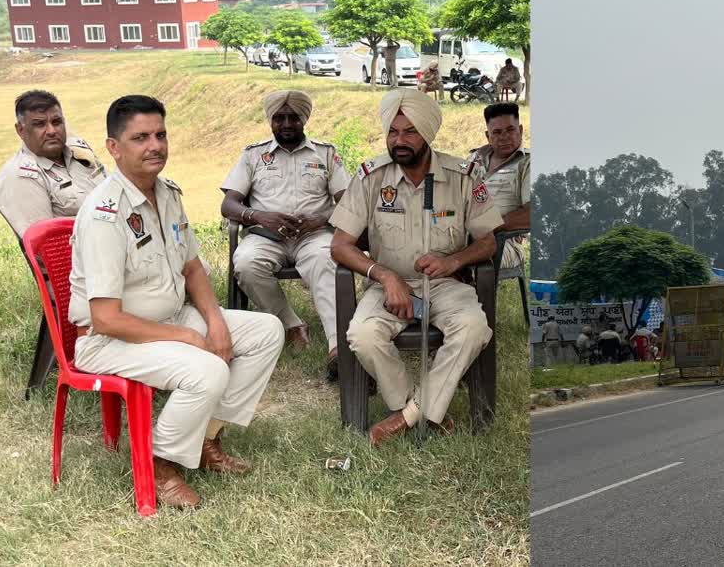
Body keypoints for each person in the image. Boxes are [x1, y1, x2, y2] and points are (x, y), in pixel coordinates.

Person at [68, 95, 285, 509]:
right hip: (109, 340)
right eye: (140, 138)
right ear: (114, 148)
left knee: (265, 331)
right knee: (205, 369)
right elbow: (107, 319)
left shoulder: (167, 193)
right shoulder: (104, 214)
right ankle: (160, 467)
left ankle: (206, 439)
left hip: (167, 316)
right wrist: (187, 335)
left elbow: (192, 269)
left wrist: (215, 321)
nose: (155, 145)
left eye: (161, 134)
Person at [330, 87, 503, 446]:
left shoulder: (463, 176)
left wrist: (454, 259)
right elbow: (340, 246)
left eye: (409, 131)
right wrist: (385, 275)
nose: (399, 140)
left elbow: (488, 241)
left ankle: (408, 415)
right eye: (393, 132)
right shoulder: (370, 178)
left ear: (427, 133)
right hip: (386, 287)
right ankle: (422, 409)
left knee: (473, 328)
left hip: (445, 285)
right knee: (361, 336)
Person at [220, 90, 349, 367]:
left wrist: (321, 219)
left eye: (293, 118)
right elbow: (229, 204)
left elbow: (348, 202)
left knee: (326, 259)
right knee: (245, 263)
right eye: (279, 118)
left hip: (313, 235)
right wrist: (259, 217)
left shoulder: (325, 154)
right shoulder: (253, 156)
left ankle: (338, 347)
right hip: (266, 236)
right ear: (271, 120)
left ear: (304, 119)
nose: (287, 124)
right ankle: (291, 325)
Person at [0, 90, 106, 238]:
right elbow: (45, 244)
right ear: (20, 130)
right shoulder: (19, 177)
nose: (51, 131)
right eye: (39, 124)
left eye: (56, 122)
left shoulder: (79, 151)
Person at [463, 102, 530, 270]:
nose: (505, 137)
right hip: (459, 234)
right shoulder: (474, 158)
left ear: (520, 130)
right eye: (497, 132)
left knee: (459, 257)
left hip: (502, 242)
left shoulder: (528, 163)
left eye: (510, 130)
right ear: (488, 136)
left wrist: (487, 226)